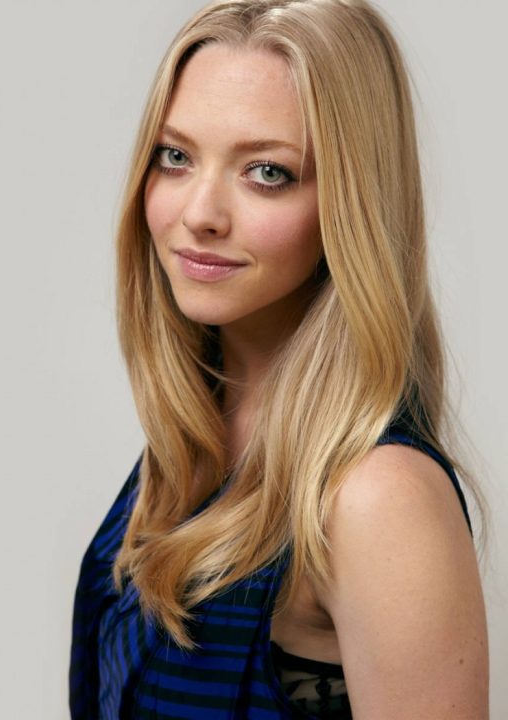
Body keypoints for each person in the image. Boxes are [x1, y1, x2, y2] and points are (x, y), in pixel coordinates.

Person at [69, 0, 489, 718]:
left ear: (351, 205)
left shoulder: (378, 498)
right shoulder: (196, 441)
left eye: (267, 171)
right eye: (176, 156)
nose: (200, 213)